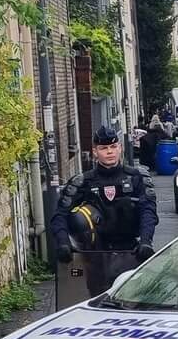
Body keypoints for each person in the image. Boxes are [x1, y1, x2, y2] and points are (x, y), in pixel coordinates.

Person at [52, 125, 159, 297]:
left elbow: (148, 211)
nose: (109, 152)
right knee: (97, 303)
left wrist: (146, 241)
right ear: (95, 152)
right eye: (103, 148)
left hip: (130, 253)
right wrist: (63, 242)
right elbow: (60, 216)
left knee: (131, 303)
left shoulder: (136, 178)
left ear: (120, 148)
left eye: (113, 147)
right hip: (95, 256)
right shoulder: (82, 183)